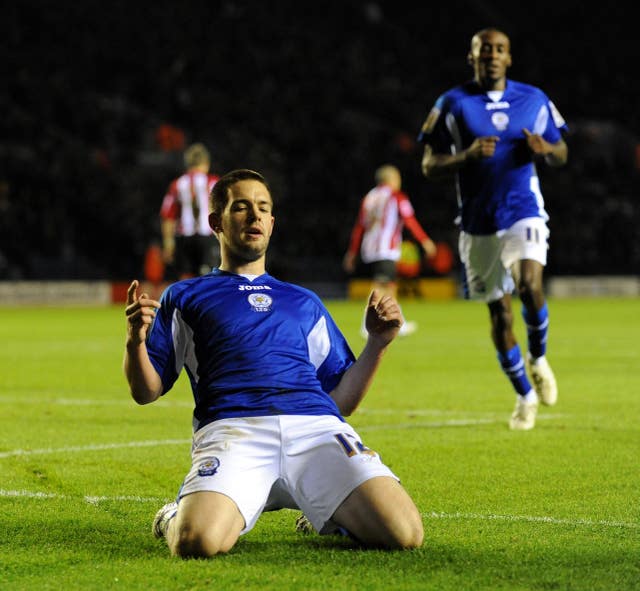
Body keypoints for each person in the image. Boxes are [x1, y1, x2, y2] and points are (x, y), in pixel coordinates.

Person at [124, 169, 424, 558]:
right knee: (195, 543)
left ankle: (330, 512)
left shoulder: (304, 301)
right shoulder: (185, 296)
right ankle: (172, 516)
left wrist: (379, 343)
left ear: (272, 222)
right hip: (236, 432)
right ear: (216, 222)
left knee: (405, 534)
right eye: (242, 207)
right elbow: (146, 391)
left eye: (263, 208)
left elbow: (342, 401)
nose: (254, 217)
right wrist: (135, 342)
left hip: (316, 431)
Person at [417, 28, 569, 430]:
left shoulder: (533, 99)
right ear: (472, 58)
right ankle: (524, 395)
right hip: (478, 224)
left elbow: (562, 152)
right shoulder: (452, 103)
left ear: (509, 57)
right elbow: (428, 166)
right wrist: (465, 156)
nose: (492, 56)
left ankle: (538, 358)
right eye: (484, 50)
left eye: (499, 50)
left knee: (530, 284)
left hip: (524, 211)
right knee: (500, 315)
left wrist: (546, 149)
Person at [343, 164, 437, 337]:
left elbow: (359, 227)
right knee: (382, 285)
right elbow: (409, 220)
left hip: (370, 247)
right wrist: (425, 241)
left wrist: (352, 252)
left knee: (388, 284)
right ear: (392, 179)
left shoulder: (369, 197)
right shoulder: (396, 196)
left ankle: (394, 321)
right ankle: (370, 323)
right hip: (386, 247)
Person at [159, 142, 220, 279]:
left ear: (187, 164)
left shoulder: (177, 184)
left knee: (186, 279)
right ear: (206, 163)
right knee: (208, 278)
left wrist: (168, 244)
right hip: (208, 238)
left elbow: (168, 216)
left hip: (184, 239)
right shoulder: (215, 183)